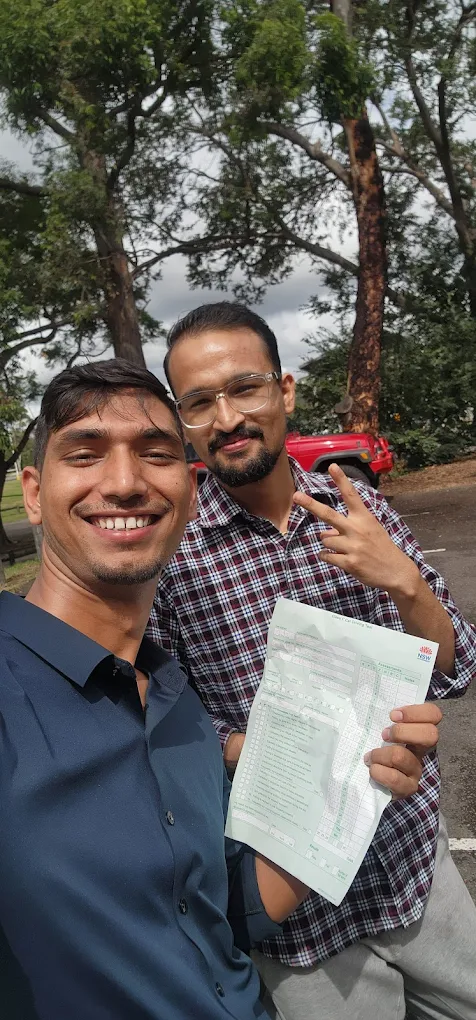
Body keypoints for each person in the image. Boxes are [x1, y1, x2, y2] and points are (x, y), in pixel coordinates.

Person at [148, 301, 476, 1020]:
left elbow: (456, 667)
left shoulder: (360, 511)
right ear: (183, 421)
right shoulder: (170, 558)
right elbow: (160, 723)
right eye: (200, 402)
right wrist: (252, 748)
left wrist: (405, 582)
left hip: (411, 860)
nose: (227, 417)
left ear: (285, 391)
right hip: (296, 907)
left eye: (246, 387)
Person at [1, 356, 337, 1020]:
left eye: (156, 454)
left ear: (189, 489)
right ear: (34, 493)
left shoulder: (177, 697)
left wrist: (349, 782)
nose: (125, 483)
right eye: (86, 453)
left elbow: (226, 910)